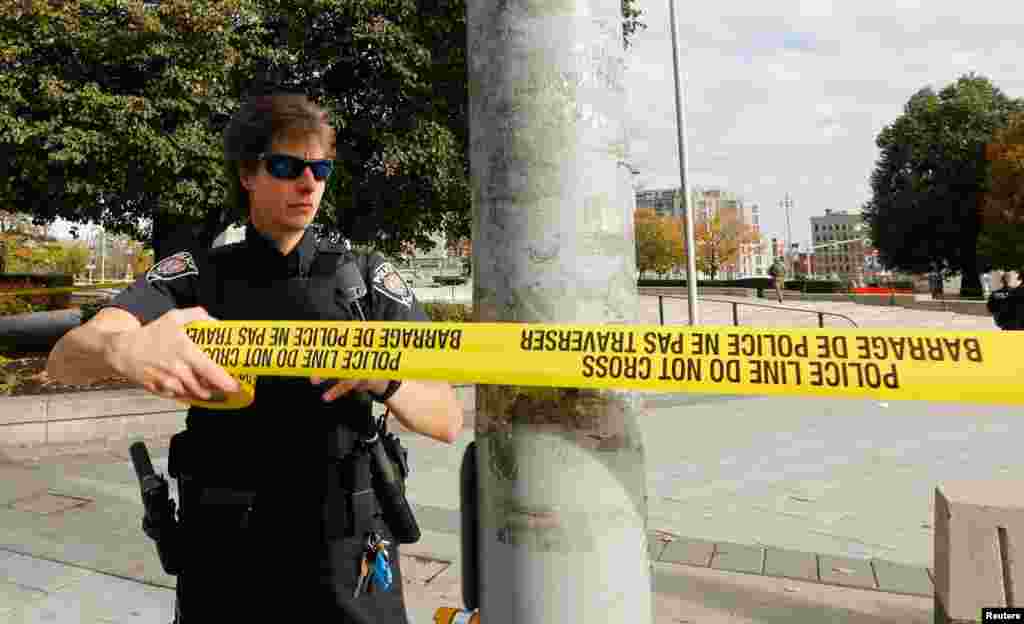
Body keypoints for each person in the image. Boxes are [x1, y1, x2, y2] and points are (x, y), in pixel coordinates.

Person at [46, 94, 463, 623]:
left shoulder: (362, 279)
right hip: (226, 554)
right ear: (247, 174)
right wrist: (120, 345)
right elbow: (64, 359)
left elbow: (448, 418)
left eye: (320, 169)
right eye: (287, 167)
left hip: (346, 553)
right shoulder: (196, 274)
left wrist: (386, 381)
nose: (308, 184)